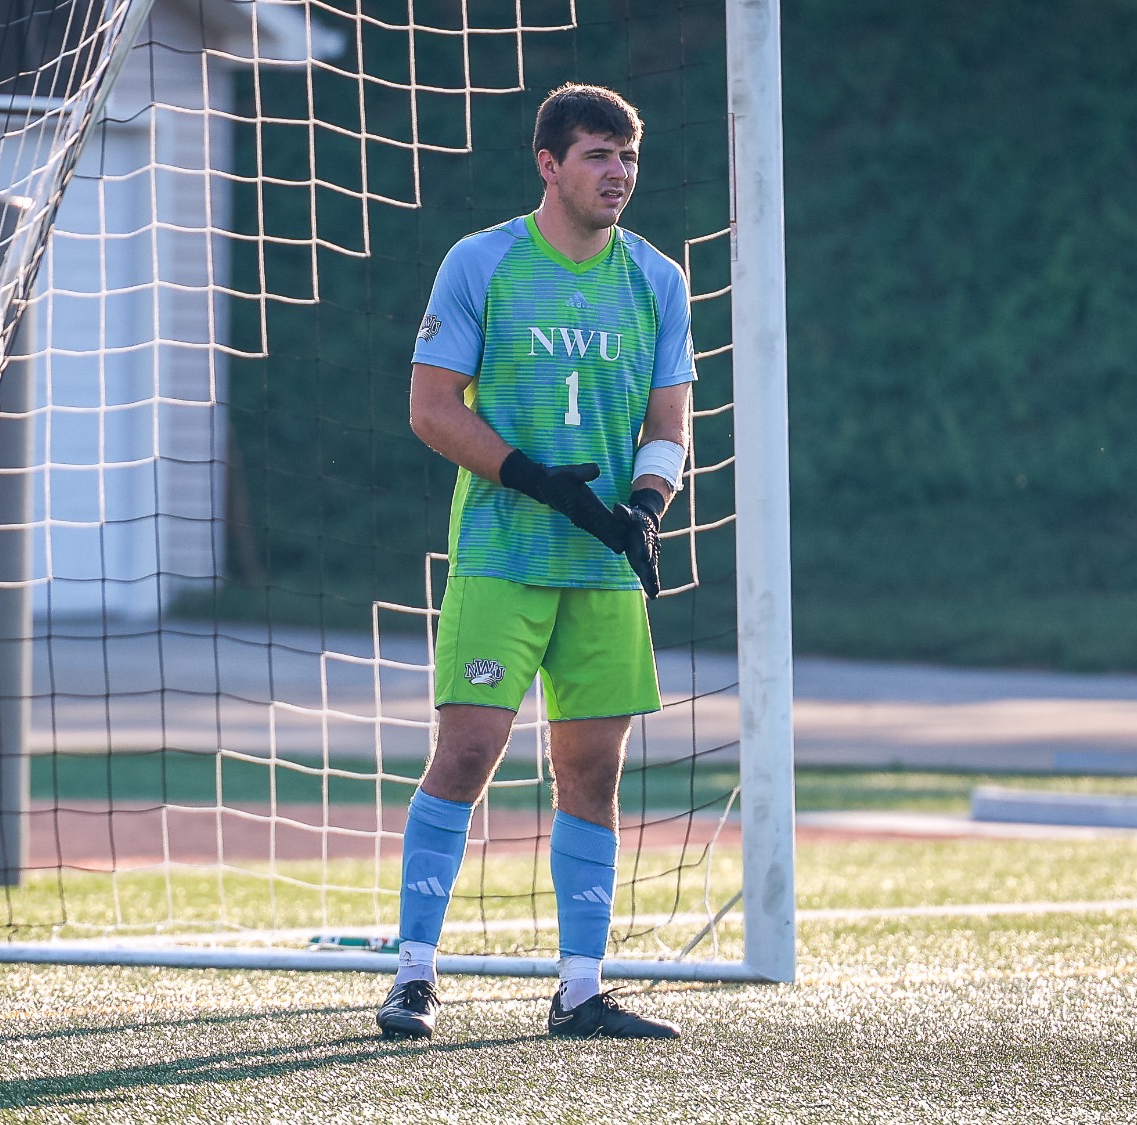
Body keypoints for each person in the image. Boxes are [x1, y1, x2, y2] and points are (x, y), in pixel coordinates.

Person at [375, 83, 694, 1042]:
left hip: (603, 572)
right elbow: (432, 409)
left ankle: (581, 987)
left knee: (591, 775)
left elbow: (669, 423)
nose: (619, 174)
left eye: (628, 156)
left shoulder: (658, 280)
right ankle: (413, 974)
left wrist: (643, 505)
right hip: (500, 557)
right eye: (599, 155)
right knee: (466, 754)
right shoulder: (483, 262)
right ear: (549, 164)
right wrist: (535, 479)